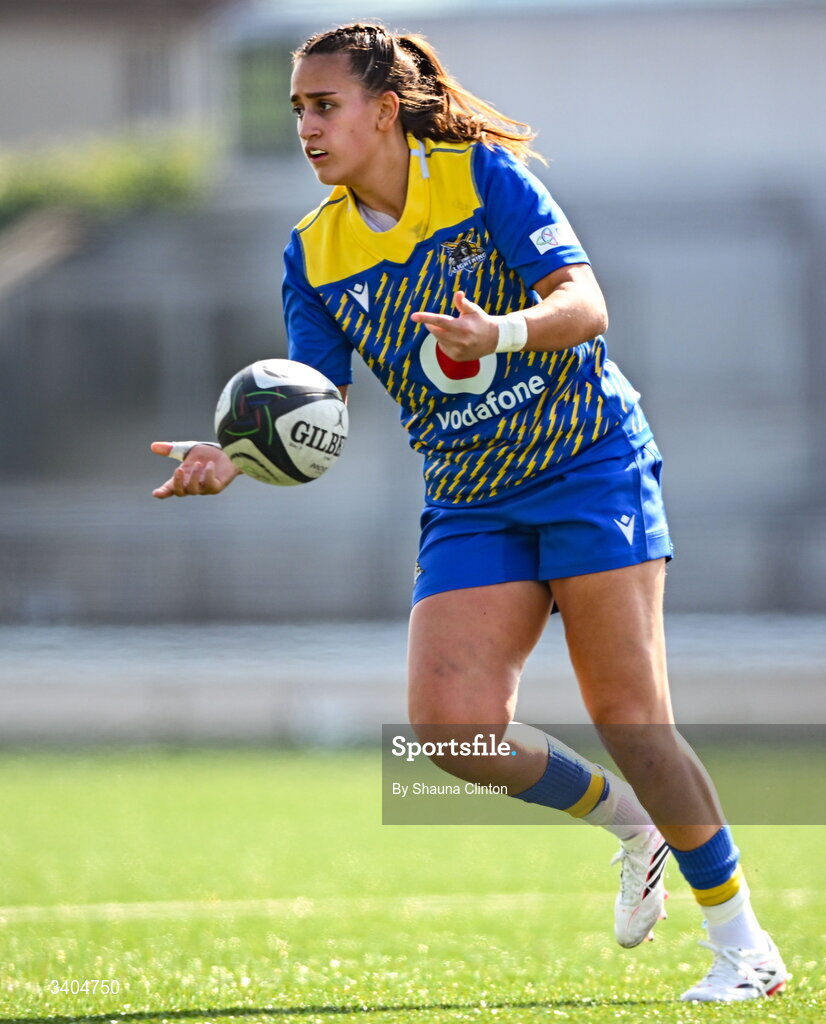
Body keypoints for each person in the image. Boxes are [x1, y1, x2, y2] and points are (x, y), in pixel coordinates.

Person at [151, 22, 787, 1003]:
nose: (307, 129)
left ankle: (745, 946)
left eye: (324, 107)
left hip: (589, 465)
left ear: (383, 109)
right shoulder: (311, 253)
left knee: (632, 717)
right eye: (297, 112)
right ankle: (630, 822)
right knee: (449, 728)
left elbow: (586, 303)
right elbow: (313, 401)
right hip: (471, 496)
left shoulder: (482, 178)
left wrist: (505, 329)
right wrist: (232, 454)